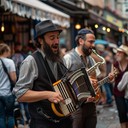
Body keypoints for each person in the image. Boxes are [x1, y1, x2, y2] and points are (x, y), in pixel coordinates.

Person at [13, 20, 72, 128]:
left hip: (65, 121)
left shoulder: (59, 59)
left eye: (58, 37)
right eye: (52, 38)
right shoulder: (31, 61)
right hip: (42, 123)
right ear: (40, 40)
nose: (56, 42)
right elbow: (20, 94)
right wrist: (48, 94)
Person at [0, 43, 17, 128]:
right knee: (10, 115)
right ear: (5, 51)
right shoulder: (10, 62)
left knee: (1, 116)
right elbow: (14, 79)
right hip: (8, 93)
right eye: (9, 51)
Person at [112, 44, 128, 128]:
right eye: (117, 52)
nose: (117, 54)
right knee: (122, 115)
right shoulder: (115, 64)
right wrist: (111, 76)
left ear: (125, 54)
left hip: (127, 93)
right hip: (118, 93)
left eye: (120, 52)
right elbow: (112, 80)